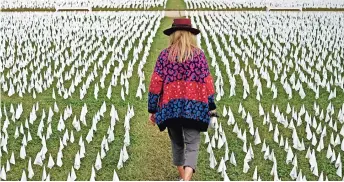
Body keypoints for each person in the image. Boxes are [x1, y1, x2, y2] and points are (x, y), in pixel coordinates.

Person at [147, 18, 217, 181]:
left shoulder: (164, 56)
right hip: (195, 108)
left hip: (171, 108)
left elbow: (155, 82)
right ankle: (186, 179)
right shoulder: (199, 55)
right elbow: (208, 81)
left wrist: (152, 109)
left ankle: (183, 178)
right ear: (190, 35)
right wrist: (211, 105)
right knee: (192, 145)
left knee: (177, 144)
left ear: (173, 35)